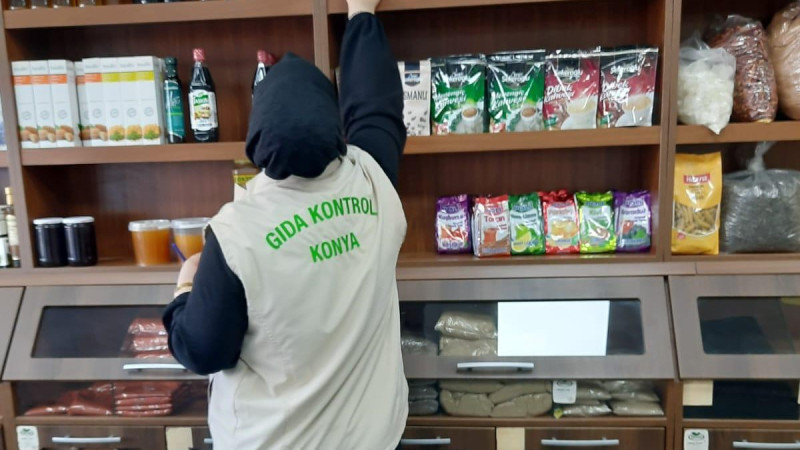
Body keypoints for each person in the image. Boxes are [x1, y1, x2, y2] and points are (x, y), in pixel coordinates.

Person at [162, 0, 409, 447]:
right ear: (335, 126)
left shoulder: (235, 236)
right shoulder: (373, 181)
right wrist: (361, 14)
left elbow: (203, 350)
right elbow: (377, 105)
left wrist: (184, 289)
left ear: (256, 137)